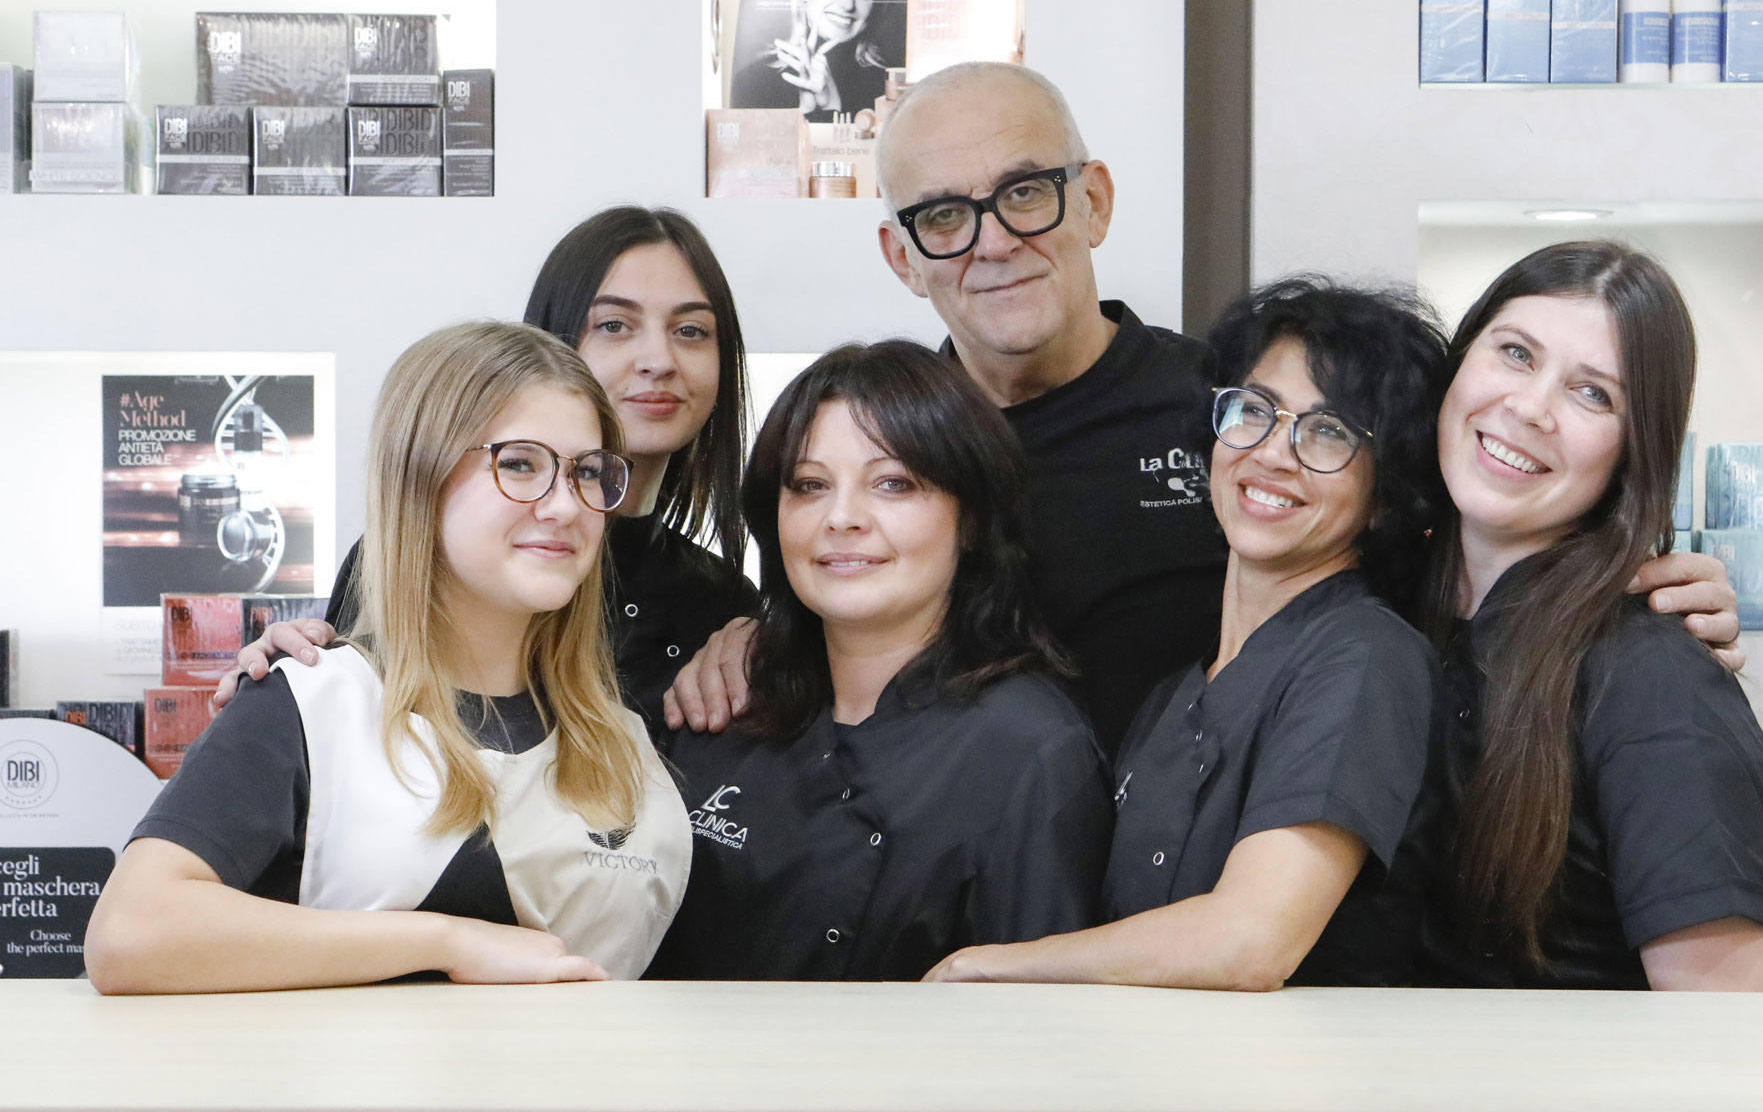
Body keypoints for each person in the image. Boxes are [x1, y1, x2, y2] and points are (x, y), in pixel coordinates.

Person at [667, 61, 1746, 758]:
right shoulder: (879, 448)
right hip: (953, 889)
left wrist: (1615, 585)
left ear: (1094, 200)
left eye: (1026, 192)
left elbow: (1444, 561)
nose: (992, 240)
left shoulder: (1236, 415)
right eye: (944, 215)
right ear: (900, 255)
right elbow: (833, 638)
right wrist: (759, 634)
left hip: (1236, 888)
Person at [85, 322, 691, 993]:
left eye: (587, 472)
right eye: (521, 464)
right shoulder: (315, 702)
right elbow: (129, 931)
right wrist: (446, 941)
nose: (565, 505)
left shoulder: (624, 742)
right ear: (419, 477)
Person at [926, 280, 1446, 989]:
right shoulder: (1180, 691)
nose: (1272, 453)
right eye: (1254, 410)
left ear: (1386, 495)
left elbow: (1250, 940)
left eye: (1327, 431)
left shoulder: (1364, 659)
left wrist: (989, 965)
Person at [647, 340, 1112, 980]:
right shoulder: (721, 705)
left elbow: (1037, 1019)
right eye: (809, 486)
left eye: (892, 483)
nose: (842, 518)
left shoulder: (1031, 750)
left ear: (972, 518)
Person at [1411, 242, 1763, 992]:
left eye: (1592, 394)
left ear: (1633, 451)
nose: (1529, 408)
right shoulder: (1387, 610)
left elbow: (1733, 1028)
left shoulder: (1654, 680)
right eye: (1516, 353)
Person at [222, 207, 759, 724]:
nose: (659, 361)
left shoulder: (725, 604)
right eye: (615, 325)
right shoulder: (433, 553)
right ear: (551, 344)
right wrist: (290, 685)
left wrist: (775, 642)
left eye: (691, 330)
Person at [731, 0, 890, 121]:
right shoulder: (752, 81)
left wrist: (832, 107)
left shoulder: (886, 90)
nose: (848, 4)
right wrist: (806, 111)